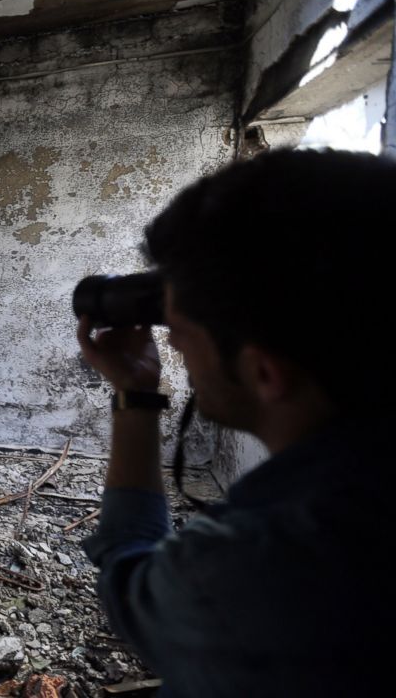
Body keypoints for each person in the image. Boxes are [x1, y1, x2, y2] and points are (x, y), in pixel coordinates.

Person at [76, 148, 394, 696]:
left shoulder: (263, 567)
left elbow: (132, 580)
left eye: (180, 332)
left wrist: (134, 396)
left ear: (265, 372)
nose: (171, 342)